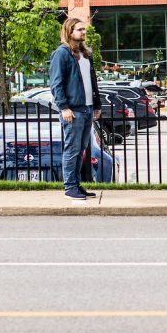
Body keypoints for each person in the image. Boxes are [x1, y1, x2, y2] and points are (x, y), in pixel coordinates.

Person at [49, 18, 102, 201]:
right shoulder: (62, 54)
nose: (83, 32)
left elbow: (92, 82)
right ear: (69, 31)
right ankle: (69, 187)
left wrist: (97, 104)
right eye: (79, 29)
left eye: (84, 30)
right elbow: (56, 84)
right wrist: (64, 107)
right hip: (73, 110)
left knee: (80, 150)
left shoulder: (86, 54)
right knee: (72, 149)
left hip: (87, 108)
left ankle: (76, 184)